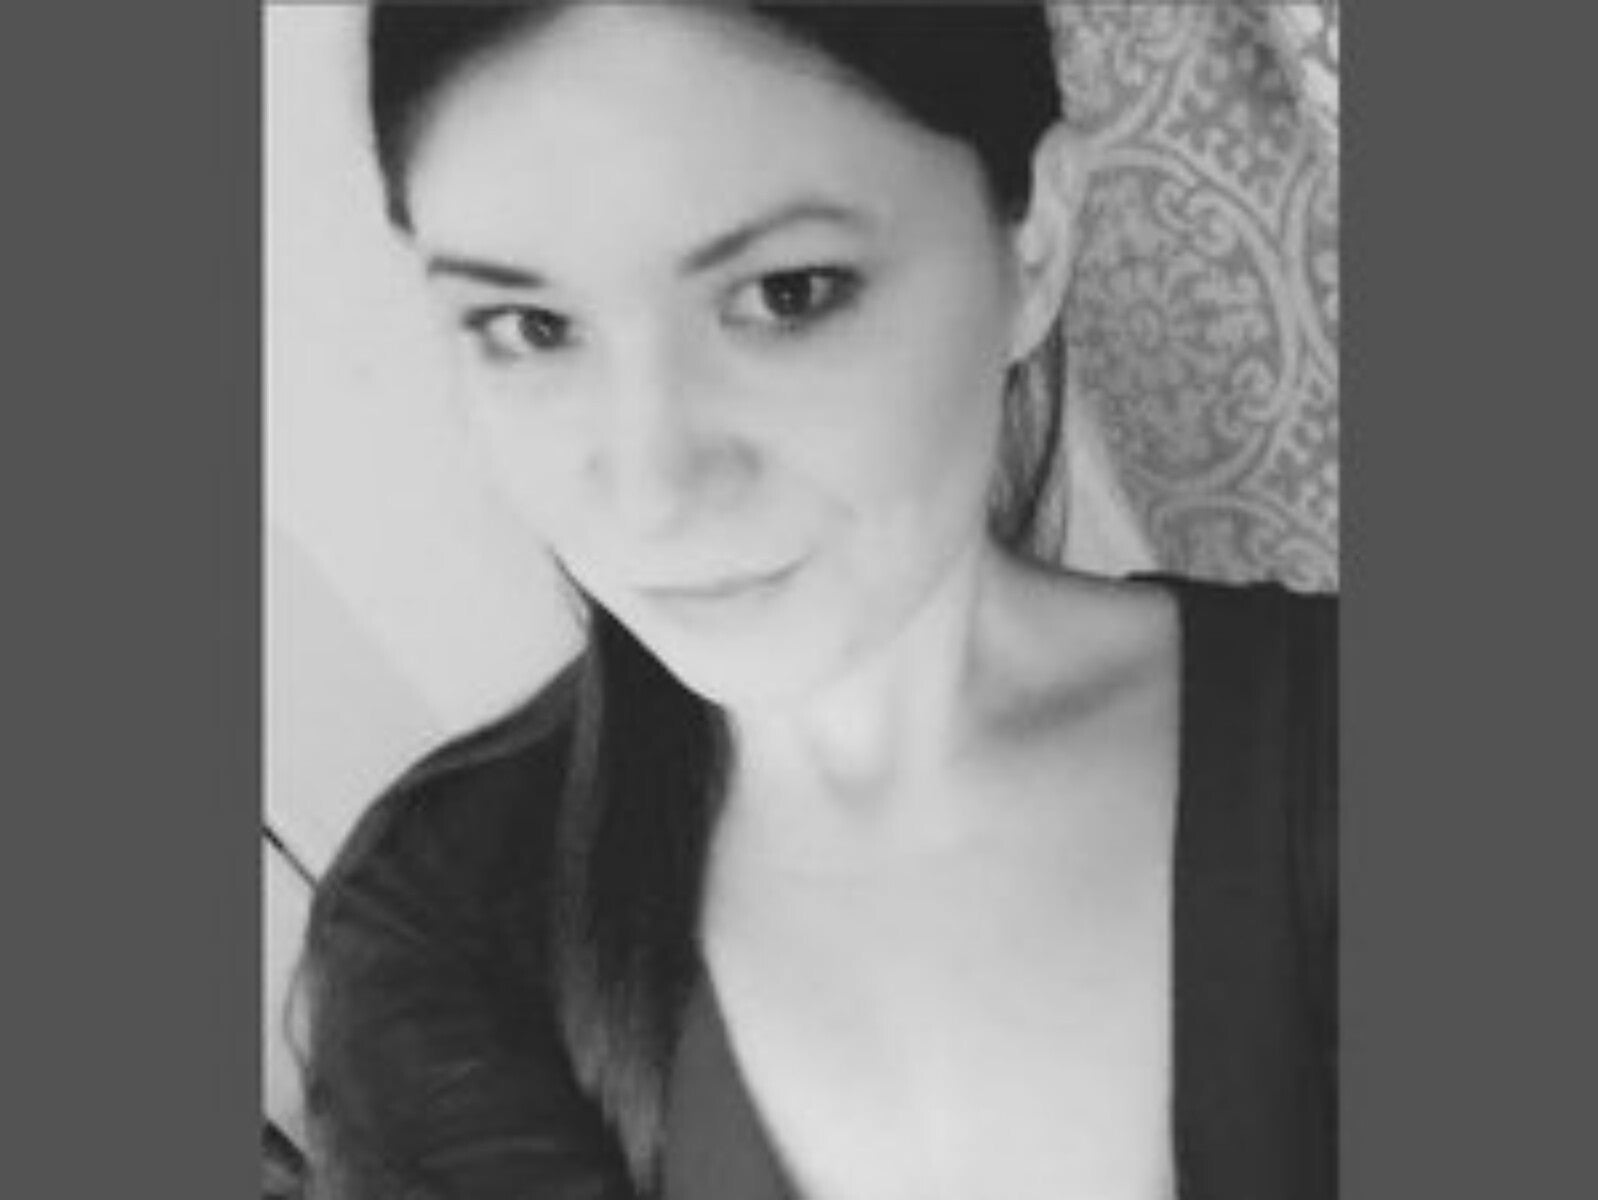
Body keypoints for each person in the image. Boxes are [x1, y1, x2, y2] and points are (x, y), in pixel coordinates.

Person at [295, 4, 1337, 1199]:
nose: (652, 491)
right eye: (530, 329)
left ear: (1035, 247)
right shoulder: (443, 925)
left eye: (786, 293)